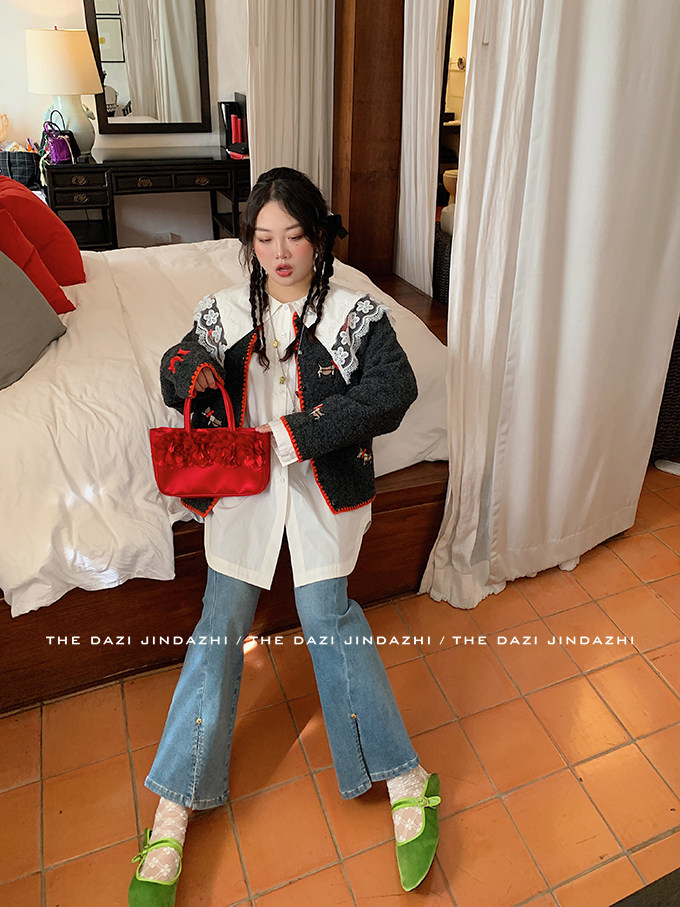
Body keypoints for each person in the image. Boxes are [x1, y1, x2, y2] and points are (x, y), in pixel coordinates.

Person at [128, 167, 440, 905]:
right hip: (245, 487)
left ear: (319, 237)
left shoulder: (357, 314)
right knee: (221, 620)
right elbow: (174, 366)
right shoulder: (224, 310)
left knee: (328, 615)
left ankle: (407, 776)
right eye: (264, 239)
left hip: (322, 481)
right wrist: (196, 371)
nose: (280, 253)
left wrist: (299, 432)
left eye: (294, 236)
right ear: (249, 242)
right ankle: (174, 805)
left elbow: (394, 390)